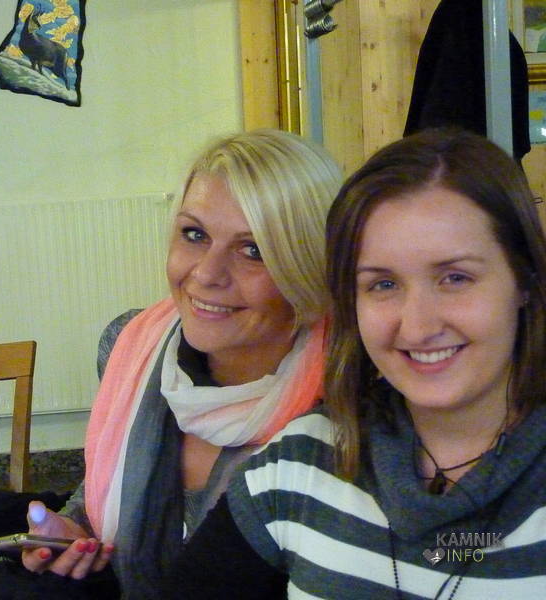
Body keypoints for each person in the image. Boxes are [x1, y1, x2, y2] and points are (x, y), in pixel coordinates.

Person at [164, 128, 546, 598]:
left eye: (455, 278)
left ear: (524, 280)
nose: (417, 327)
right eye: (383, 284)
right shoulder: (302, 462)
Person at [18, 129, 343, 598]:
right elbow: (100, 494)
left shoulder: (344, 405)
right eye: (195, 235)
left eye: (253, 250)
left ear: (309, 267)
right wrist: (72, 532)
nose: (206, 273)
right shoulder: (131, 348)